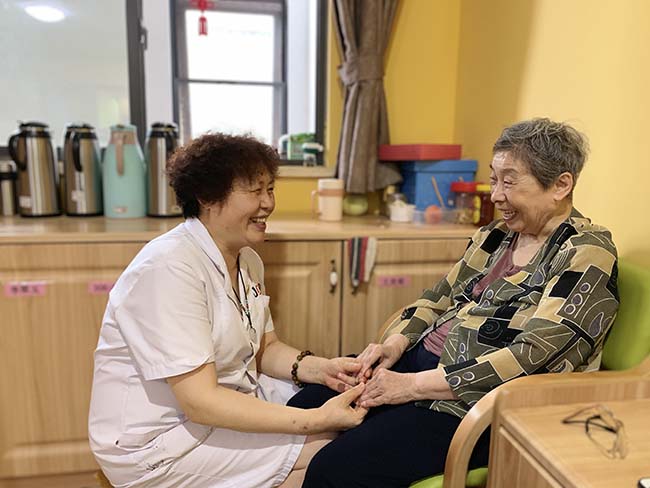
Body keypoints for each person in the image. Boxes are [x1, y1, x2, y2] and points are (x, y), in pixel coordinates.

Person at [291, 118, 620, 487]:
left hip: (471, 402)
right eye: (494, 179)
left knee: (334, 467)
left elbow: (532, 355)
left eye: (509, 181)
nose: (495, 195)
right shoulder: (494, 236)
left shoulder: (585, 252)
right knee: (305, 405)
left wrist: (410, 386)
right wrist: (394, 344)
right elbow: (437, 297)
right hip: (417, 366)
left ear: (561, 185)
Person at [88, 133, 368, 488]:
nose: (268, 203)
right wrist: (316, 419)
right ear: (207, 197)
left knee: (344, 432)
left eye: (270, 189)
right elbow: (201, 402)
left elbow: (265, 348)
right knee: (329, 451)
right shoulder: (169, 267)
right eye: (255, 191)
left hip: (218, 408)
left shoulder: (246, 259)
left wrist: (321, 368)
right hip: (159, 443)